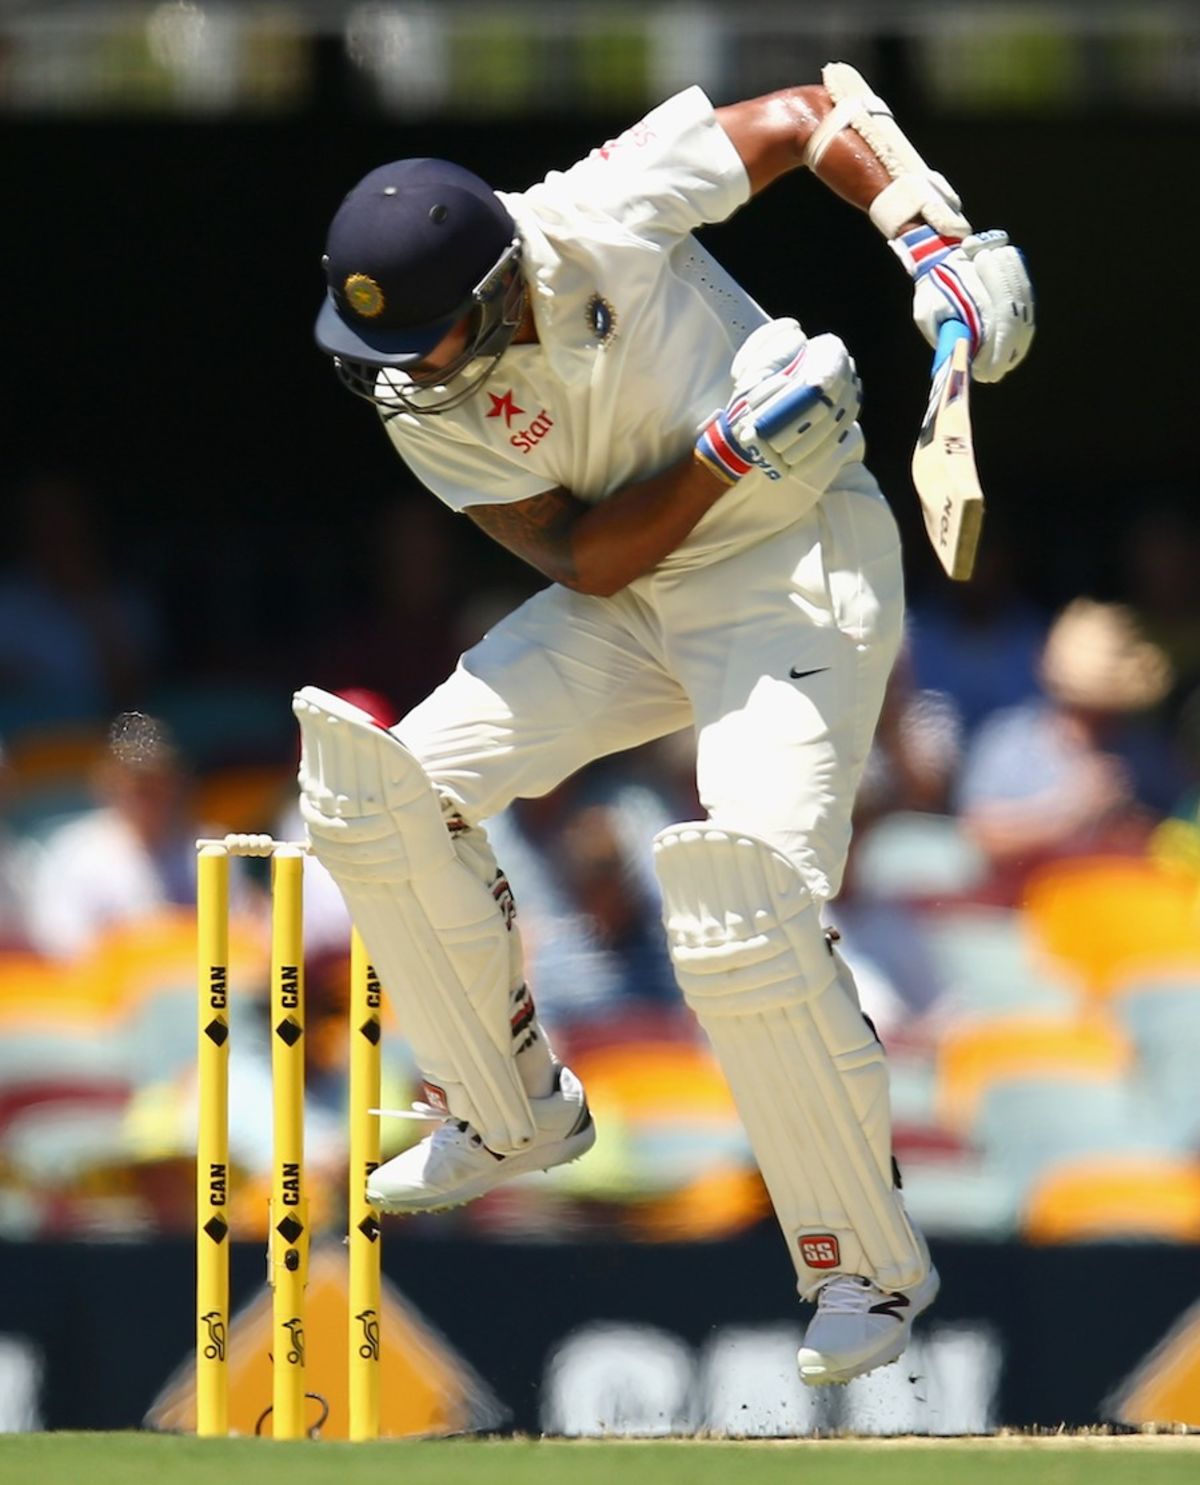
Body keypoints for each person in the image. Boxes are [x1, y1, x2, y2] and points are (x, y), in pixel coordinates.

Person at [297, 67, 1034, 1387]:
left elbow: (812, 116)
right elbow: (581, 557)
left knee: (740, 906)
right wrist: (729, 450)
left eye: (426, 343)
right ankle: (505, 1107)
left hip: (796, 576)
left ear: (496, 288)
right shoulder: (430, 413)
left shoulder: (596, 212)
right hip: (635, 587)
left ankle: (863, 1262)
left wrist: (932, 237)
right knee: (377, 792)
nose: (404, 381)